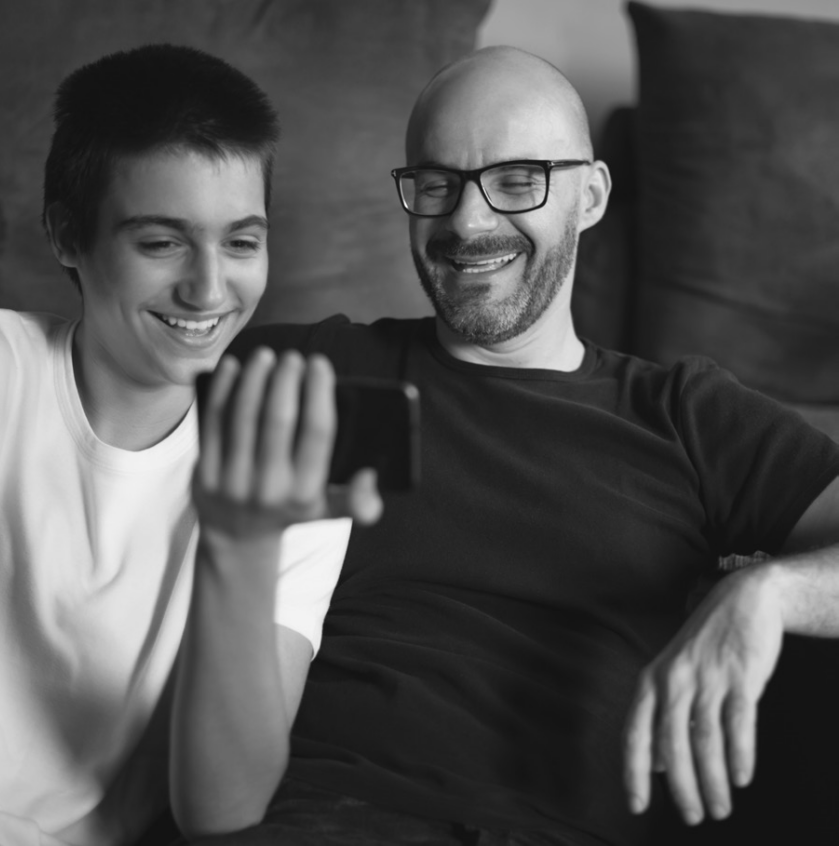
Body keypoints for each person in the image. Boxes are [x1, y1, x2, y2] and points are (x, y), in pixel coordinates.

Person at [198, 45, 839, 845]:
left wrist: (770, 596)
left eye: (516, 180)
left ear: (592, 195)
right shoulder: (311, 372)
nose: (468, 222)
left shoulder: (686, 416)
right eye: (436, 184)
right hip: (328, 820)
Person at [0, 44, 372, 846]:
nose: (210, 289)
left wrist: (242, 545)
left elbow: (224, 813)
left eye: (242, 243)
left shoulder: (292, 484)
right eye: (162, 243)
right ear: (67, 236)